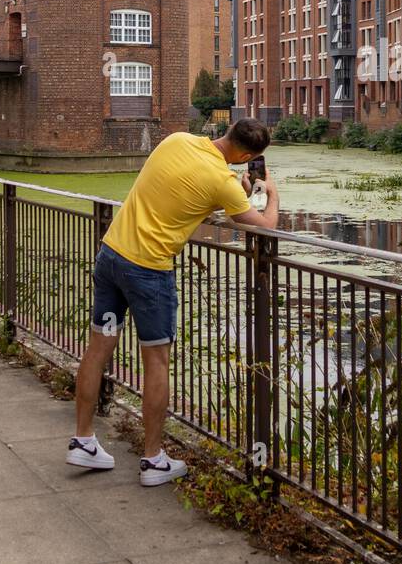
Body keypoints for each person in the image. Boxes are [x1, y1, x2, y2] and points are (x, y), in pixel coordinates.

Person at [67, 118, 279, 485]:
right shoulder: (223, 183)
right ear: (246, 156)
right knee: (157, 361)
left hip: (111, 255)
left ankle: (82, 440)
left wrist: (230, 190)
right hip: (148, 272)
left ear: (226, 132)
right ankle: (152, 460)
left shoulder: (177, 140)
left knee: (98, 348)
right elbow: (264, 227)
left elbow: (178, 191)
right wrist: (271, 194)